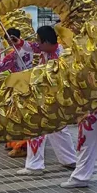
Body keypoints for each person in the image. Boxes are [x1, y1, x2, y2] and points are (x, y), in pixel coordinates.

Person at [17, 26, 77, 175]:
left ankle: (36, 166)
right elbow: (31, 47)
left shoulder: (62, 56)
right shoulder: (45, 50)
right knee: (56, 129)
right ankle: (68, 159)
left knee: (41, 129)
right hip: (44, 97)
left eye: (40, 42)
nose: (37, 44)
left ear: (48, 42)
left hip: (54, 98)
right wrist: (18, 42)